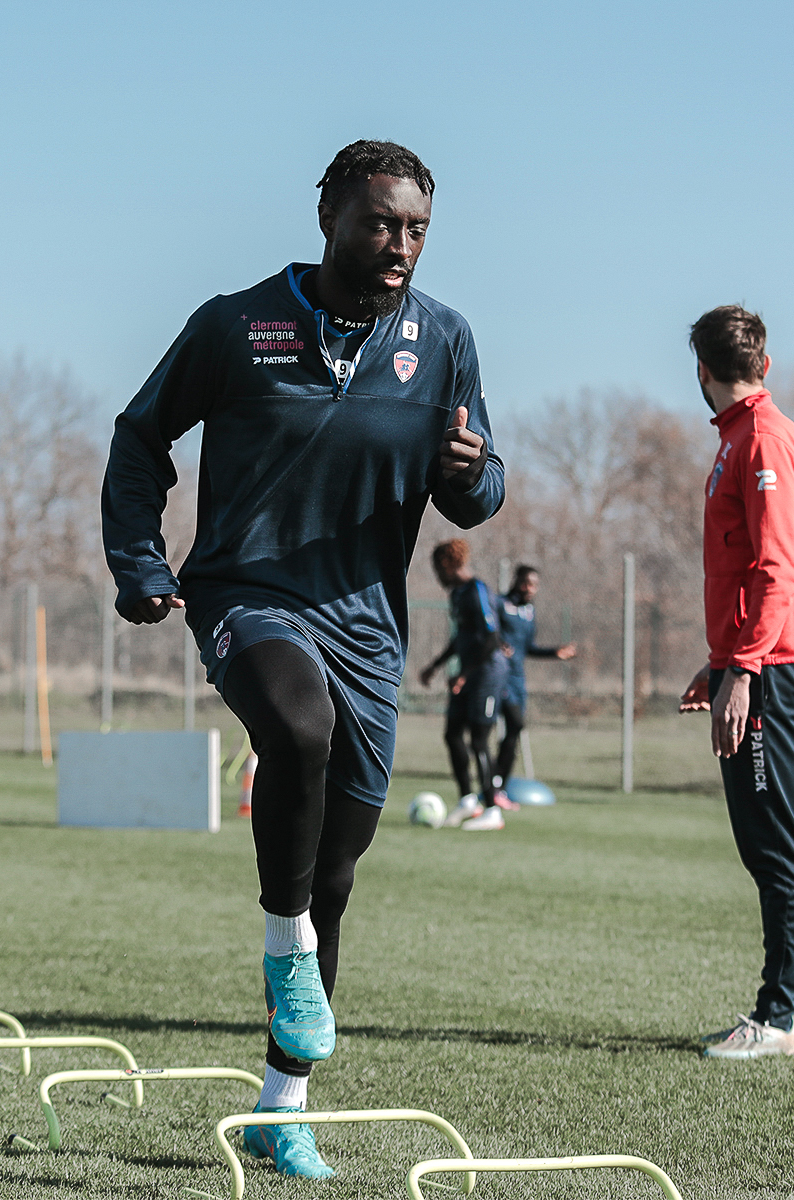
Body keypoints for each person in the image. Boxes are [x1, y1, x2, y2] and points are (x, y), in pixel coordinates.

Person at [102, 140, 503, 1179]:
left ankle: (283, 1106)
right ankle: (286, 949)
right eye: (380, 223)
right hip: (247, 594)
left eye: (417, 229)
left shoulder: (444, 338)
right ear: (328, 216)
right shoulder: (235, 325)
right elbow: (141, 438)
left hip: (366, 628)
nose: (400, 245)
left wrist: (472, 473)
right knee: (296, 726)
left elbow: (477, 492)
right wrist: (140, 560)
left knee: (335, 870)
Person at [676, 305, 794, 1060]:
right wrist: (723, 660)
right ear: (764, 363)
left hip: (771, 669)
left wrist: (745, 667)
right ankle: (786, 1009)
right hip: (754, 664)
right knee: (763, 844)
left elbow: (777, 568)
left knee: (774, 847)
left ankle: (776, 1017)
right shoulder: (742, 436)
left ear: (701, 370)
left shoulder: (763, 438)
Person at [419, 540, 511, 830]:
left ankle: (492, 810)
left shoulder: (477, 590)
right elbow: (461, 637)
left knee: (479, 740)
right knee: (452, 733)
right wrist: (435, 665)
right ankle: (468, 801)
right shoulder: (457, 594)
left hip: (487, 672)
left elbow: (491, 638)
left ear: (447, 564)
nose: (437, 576)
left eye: (437, 569)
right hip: (469, 673)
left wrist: (464, 674)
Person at [492, 565, 576, 795]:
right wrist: (497, 644)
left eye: (534, 585)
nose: (530, 589)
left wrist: (554, 653)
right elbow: (487, 632)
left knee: (515, 729)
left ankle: (498, 786)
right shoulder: (500, 604)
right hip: (499, 676)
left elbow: (528, 647)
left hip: (518, 680)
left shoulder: (529, 612)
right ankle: (491, 780)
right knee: (505, 724)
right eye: (526, 583)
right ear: (516, 582)